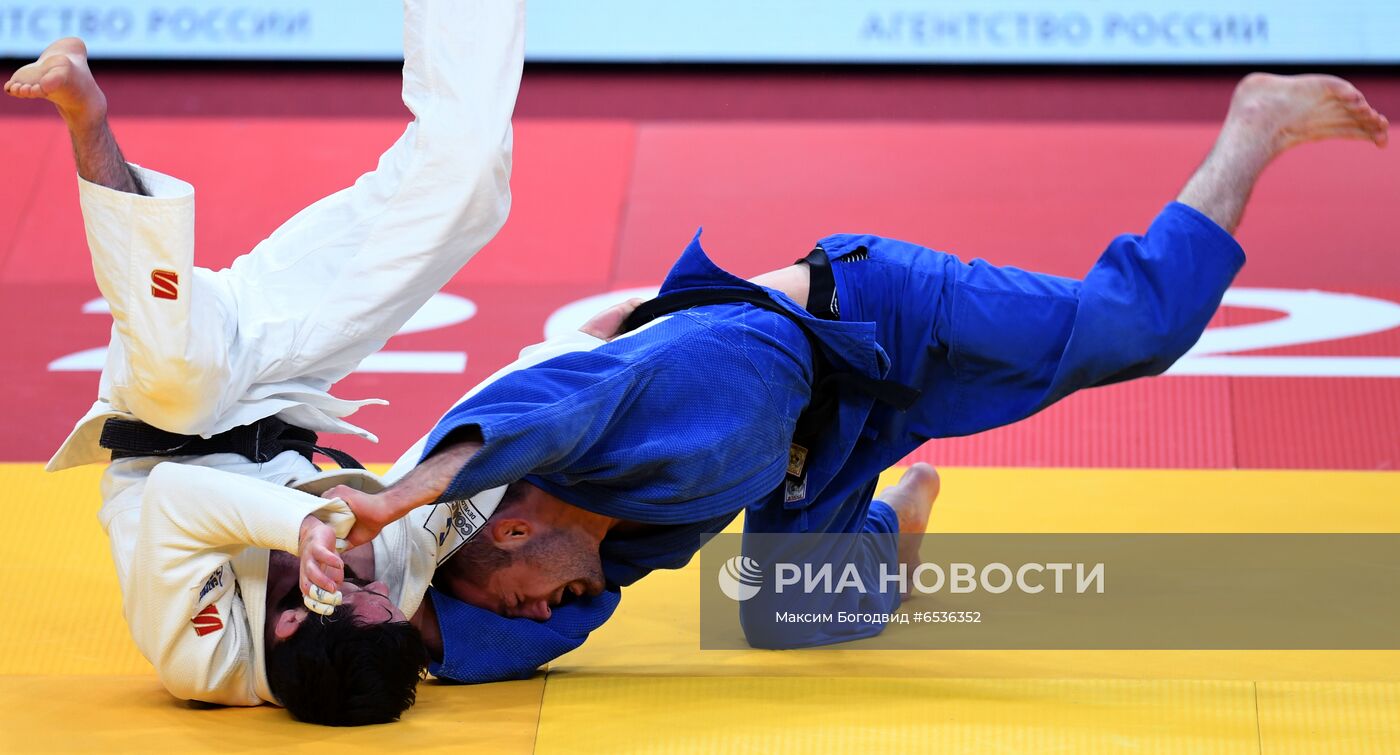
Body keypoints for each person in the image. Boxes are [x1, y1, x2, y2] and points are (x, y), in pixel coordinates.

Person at [334, 72, 1389, 650]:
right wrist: (384, 621)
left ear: (510, 523)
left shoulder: (584, 421)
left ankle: (1253, 123)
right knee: (785, 614)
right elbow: (465, 647)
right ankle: (902, 511)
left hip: (879, 310)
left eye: (506, 593)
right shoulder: (607, 561)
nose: (534, 614)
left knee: (1137, 331)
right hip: (832, 429)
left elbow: (524, 412)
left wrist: (395, 497)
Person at [4, 0, 581, 723]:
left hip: (166, 415)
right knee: (466, 186)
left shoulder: (202, 656)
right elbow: (452, 454)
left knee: (182, 380)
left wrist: (300, 525)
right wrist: (588, 349)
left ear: (286, 621)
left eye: (354, 589)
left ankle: (86, 118)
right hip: (283, 377)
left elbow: (178, 501)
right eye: (382, 597)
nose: (375, 583)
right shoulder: (381, 613)